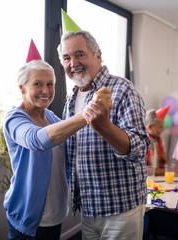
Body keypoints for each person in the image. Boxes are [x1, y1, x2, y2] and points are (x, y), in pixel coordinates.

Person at [3, 40, 112, 240]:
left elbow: (71, 142)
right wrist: (88, 112)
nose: (45, 90)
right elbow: (38, 139)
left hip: (55, 213)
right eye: (37, 84)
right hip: (29, 217)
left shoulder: (51, 117)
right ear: (22, 88)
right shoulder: (14, 118)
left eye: (50, 84)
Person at [57, 21, 150, 239]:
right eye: (67, 58)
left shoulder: (123, 89)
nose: (73, 63)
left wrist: (105, 127)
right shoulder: (71, 100)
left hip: (121, 206)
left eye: (80, 54)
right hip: (88, 206)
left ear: (98, 55)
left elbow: (139, 149)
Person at [145, 106, 170, 176]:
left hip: (160, 178)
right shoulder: (142, 141)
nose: (163, 130)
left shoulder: (159, 138)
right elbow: (145, 170)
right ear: (150, 127)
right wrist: (167, 171)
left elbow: (165, 161)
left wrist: (168, 167)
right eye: (160, 127)